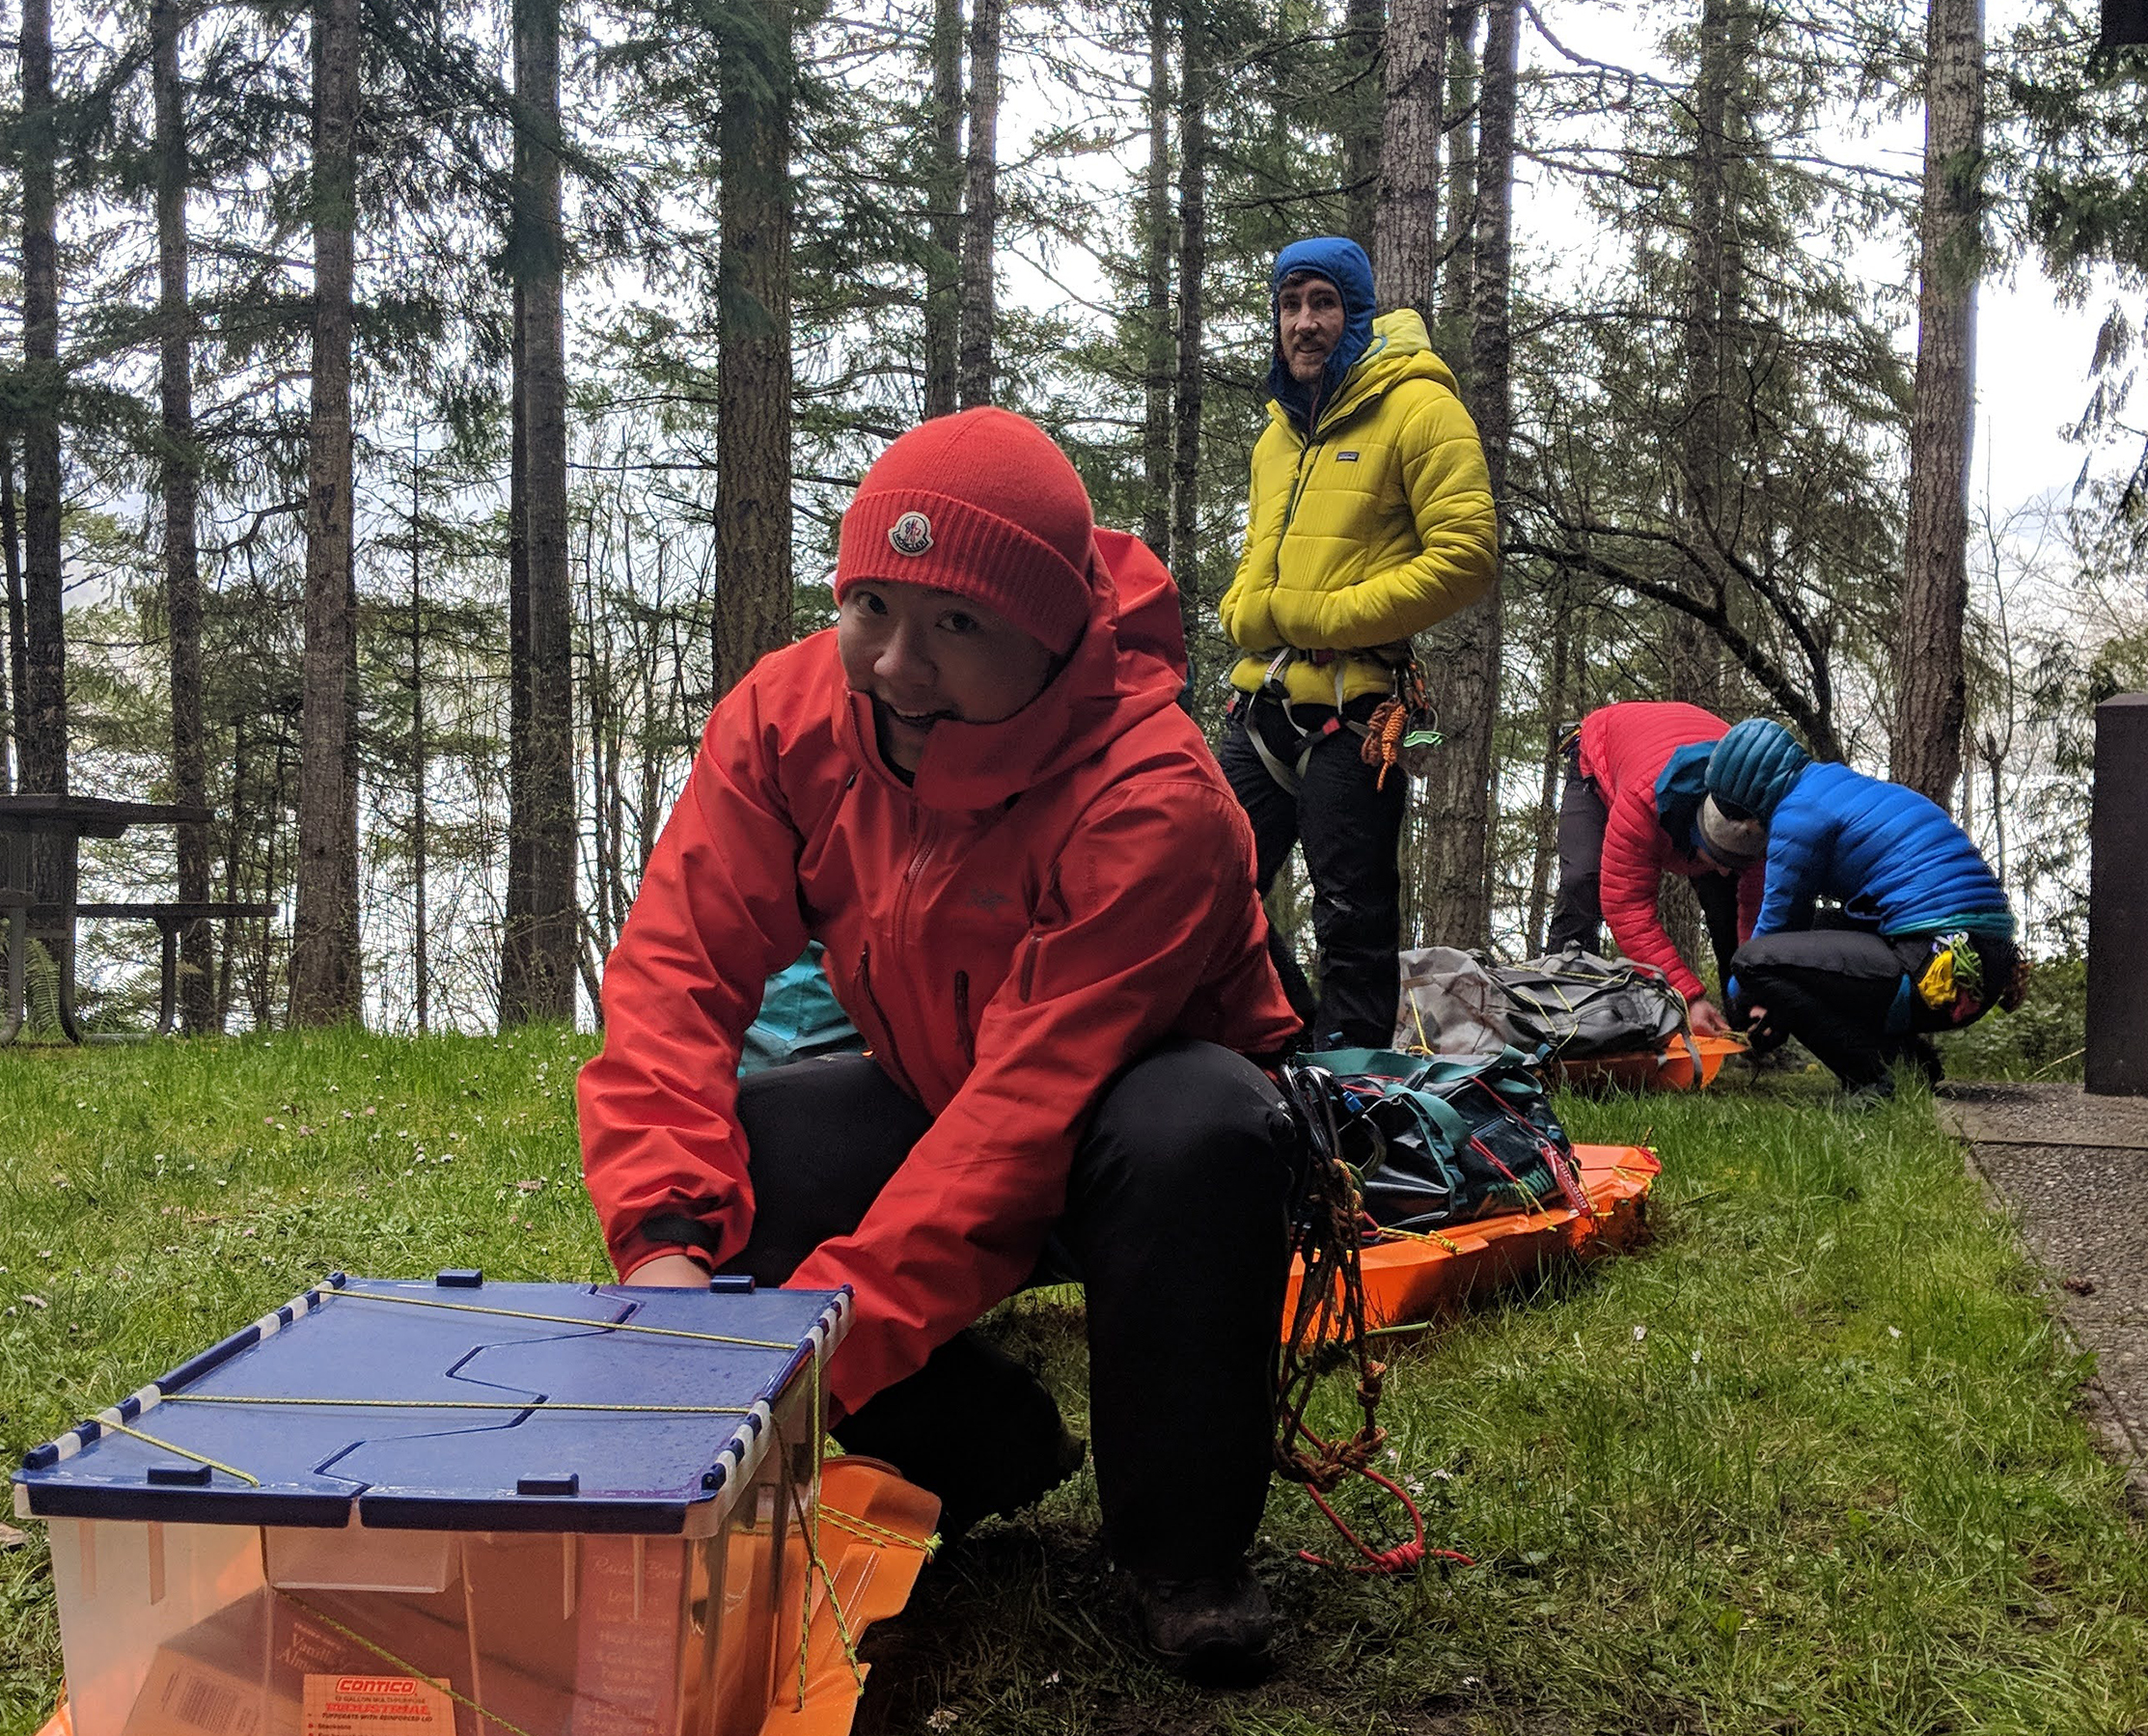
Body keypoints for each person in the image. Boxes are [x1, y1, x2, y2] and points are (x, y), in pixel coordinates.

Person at [578, 408, 1307, 1680]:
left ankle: (1183, 1550)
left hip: (1130, 1130)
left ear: (1055, 635)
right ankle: (979, 1449)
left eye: (959, 624)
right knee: (746, 1158)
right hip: (939, 1082)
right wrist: (666, 1245)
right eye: (872, 607)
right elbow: (678, 969)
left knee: (1200, 1133)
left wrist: (809, 1358)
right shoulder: (791, 717)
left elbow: (1025, 1117)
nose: (898, 668)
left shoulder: (1157, 799)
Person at [1216, 236, 1498, 1048]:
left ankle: (1355, 1090)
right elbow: (1260, 555)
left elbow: (1467, 555)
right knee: (1201, 882)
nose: (1303, 322)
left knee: (1353, 915)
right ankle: (1297, 1045)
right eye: (1289, 304)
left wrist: (1324, 617)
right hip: (1260, 702)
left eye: (1323, 303)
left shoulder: (1420, 408)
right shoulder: (1276, 436)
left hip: (1359, 711)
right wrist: (1241, 609)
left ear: (1358, 313)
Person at [1705, 718, 2024, 1101]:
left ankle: (1874, 1076)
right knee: (1806, 939)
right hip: (1984, 961)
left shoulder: (1796, 815)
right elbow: (1800, 936)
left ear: (1745, 799)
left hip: (1939, 969)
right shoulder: (1833, 784)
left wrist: (1739, 1003)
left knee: (1753, 962)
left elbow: (1776, 925)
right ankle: (1909, 1063)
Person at [1546, 701, 1765, 1039]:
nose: (1725, 870)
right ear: (1695, 835)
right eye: (1718, 858)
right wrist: (1686, 997)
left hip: (1689, 744)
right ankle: (1561, 1016)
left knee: (1728, 899)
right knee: (1585, 879)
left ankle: (1746, 1026)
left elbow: (1754, 910)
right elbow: (1627, 907)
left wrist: (1759, 992)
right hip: (1601, 749)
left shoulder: (1755, 808)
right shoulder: (1641, 804)